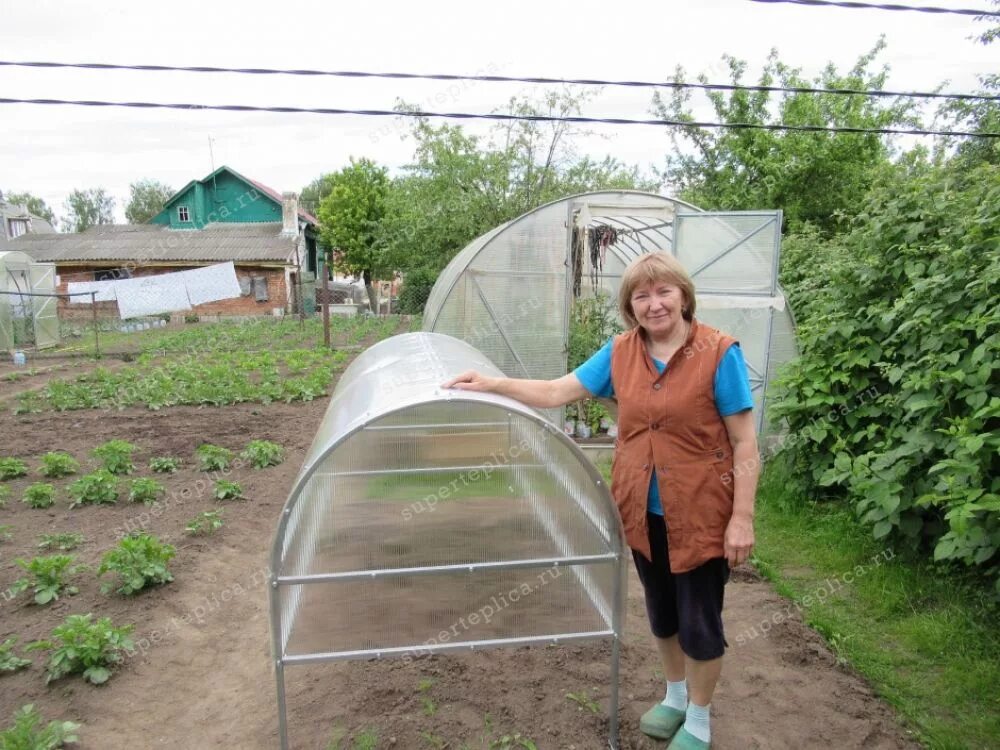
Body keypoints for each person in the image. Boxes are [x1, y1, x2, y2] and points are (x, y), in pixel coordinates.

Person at [443, 252, 759, 750]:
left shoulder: (719, 353)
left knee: (700, 622)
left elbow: (745, 443)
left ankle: (699, 718)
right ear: (630, 306)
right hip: (642, 509)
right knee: (662, 613)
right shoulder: (620, 352)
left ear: (683, 296)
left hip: (701, 512)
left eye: (663, 292)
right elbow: (555, 391)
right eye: (642, 296)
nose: (654, 304)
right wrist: (493, 383)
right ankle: (675, 696)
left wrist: (742, 517)